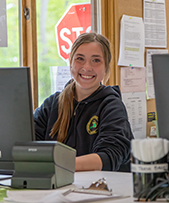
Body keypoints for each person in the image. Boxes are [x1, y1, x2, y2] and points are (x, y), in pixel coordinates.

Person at [34, 32, 133, 172]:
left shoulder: (112, 106)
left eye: (96, 60)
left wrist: (55, 165)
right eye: (80, 58)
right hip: (59, 188)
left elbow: (109, 157)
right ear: (71, 63)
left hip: (103, 190)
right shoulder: (51, 105)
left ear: (106, 68)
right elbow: (28, 145)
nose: (87, 67)